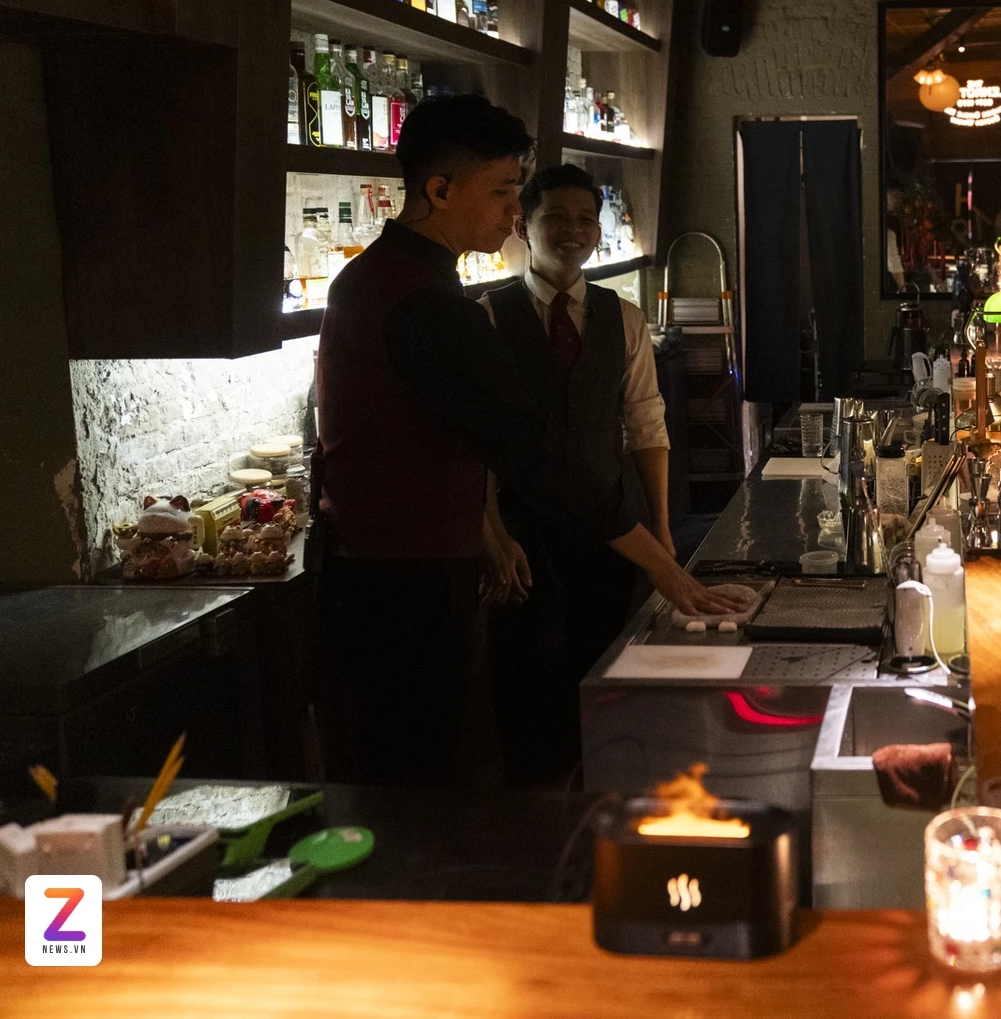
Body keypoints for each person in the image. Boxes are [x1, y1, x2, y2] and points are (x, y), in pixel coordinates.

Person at [312, 95, 733, 787]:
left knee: (409, 776)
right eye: (503, 191)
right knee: (418, 785)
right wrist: (664, 567)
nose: (515, 211)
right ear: (439, 190)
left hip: (385, 568)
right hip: (408, 582)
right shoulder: (428, 303)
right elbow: (531, 453)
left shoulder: (380, 278)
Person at [479, 164, 676, 786]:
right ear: (522, 226)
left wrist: (662, 531)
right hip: (524, 532)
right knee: (529, 683)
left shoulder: (625, 318)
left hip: (609, 528)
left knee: (606, 669)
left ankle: (603, 805)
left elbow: (646, 425)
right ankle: (534, 818)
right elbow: (474, 443)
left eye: (586, 219)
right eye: (556, 218)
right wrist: (493, 534)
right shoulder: (488, 316)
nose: (574, 230)